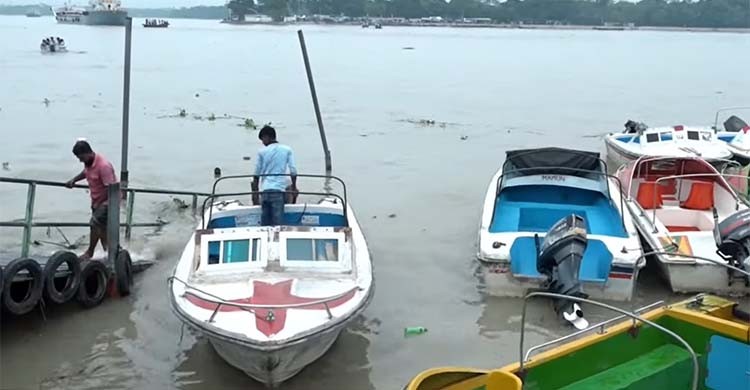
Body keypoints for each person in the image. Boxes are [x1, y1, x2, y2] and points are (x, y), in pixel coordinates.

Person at [65, 140, 118, 260]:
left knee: (94, 223)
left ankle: (90, 252)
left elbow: (111, 189)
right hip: (96, 201)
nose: (80, 160)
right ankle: (109, 252)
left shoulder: (103, 166)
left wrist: (104, 206)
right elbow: (86, 172)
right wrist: (74, 180)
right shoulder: (89, 163)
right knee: (102, 228)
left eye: (81, 157)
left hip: (108, 201)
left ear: (88, 153)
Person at [252, 125, 297, 226]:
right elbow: (293, 171)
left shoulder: (261, 152)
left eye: (262, 139)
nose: (263, 143)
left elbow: (256, 174)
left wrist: (255, 192)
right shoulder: (287, 150)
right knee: (278, 224)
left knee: (265, 224)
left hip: (265, 191)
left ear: (267, 137)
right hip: (278, 190)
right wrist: (294, 187)